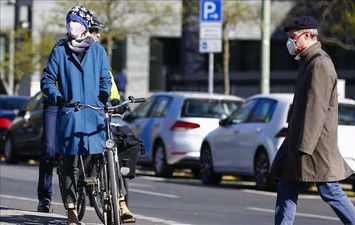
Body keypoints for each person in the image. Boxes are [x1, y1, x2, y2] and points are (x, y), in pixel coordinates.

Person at [270, 16, 355, 225]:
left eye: (293, 37)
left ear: (307, 35)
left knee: (330, 191)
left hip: (312, 147)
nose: (290, 42)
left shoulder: (320, 64)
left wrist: (303, 148)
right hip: (301, 145)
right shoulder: (309, 62)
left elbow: (315, 110)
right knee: (286, 188)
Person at [41, 5, 111, 225]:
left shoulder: (98, 51)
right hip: (70, 114)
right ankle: (71, 208)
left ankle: (90, 192)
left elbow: (105, 78)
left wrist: (103, 94)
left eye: (77, 22)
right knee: (70, 163)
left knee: (91, 160)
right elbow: (47, 80)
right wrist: (57, 96)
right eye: (69, 21)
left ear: (86, 26)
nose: (72, 26)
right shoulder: (59, 50)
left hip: (92, 115)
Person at [89, 16, 135, 223]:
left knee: (119, 148)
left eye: (98, 31)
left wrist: (117, 101)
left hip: (103, 114)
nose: (97, 35)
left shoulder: (101, 58)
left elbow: (110, 83)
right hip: (85, 112)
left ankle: (122, 201)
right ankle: (87, 184)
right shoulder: (75, 56)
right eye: (94, 31)